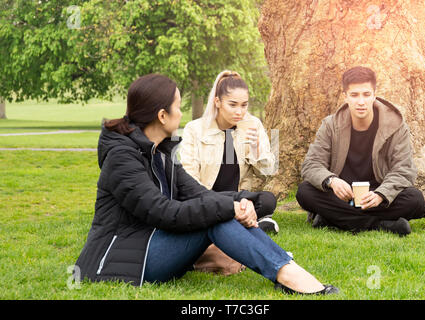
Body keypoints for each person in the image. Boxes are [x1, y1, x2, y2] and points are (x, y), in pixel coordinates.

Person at [74, 73, 338, 295]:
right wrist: (228, 208)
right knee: (217, 216)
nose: (182, 112)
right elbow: (164, 213)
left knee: (222, 211)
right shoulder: (122, 158)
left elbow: (197, 192)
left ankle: (286, 270)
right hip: (126, 259)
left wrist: (239, 204)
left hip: (154, 243)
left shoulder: (160, 153)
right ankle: (289, 275)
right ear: (162, 115)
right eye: (178, 106)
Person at [296, 66, 425, 236]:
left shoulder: (395, 125)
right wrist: (332, 181)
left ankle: (331, 219)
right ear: (345, 97)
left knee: (415, 200)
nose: (361, 102)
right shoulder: (330, 125)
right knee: (305, 192)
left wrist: (382, 194)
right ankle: (381, 225)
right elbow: (311, 164)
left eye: (366, 94)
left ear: (374, 94)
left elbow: (404, 169)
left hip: (376, 196)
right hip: (342, 196)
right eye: (354, 95)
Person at [180, 70, 279, 233]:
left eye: (244, 105)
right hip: (207, 197)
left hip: (238, 197)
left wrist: (257, 149)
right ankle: (249, 221)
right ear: (217, 102)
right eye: (232, 105)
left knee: (267, 200)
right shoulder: (195, 129)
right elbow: (189, 178)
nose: (239, 112)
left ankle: (229, 219)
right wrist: (210, 201)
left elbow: (266, 172)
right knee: (190, 204)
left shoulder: (253, 125)